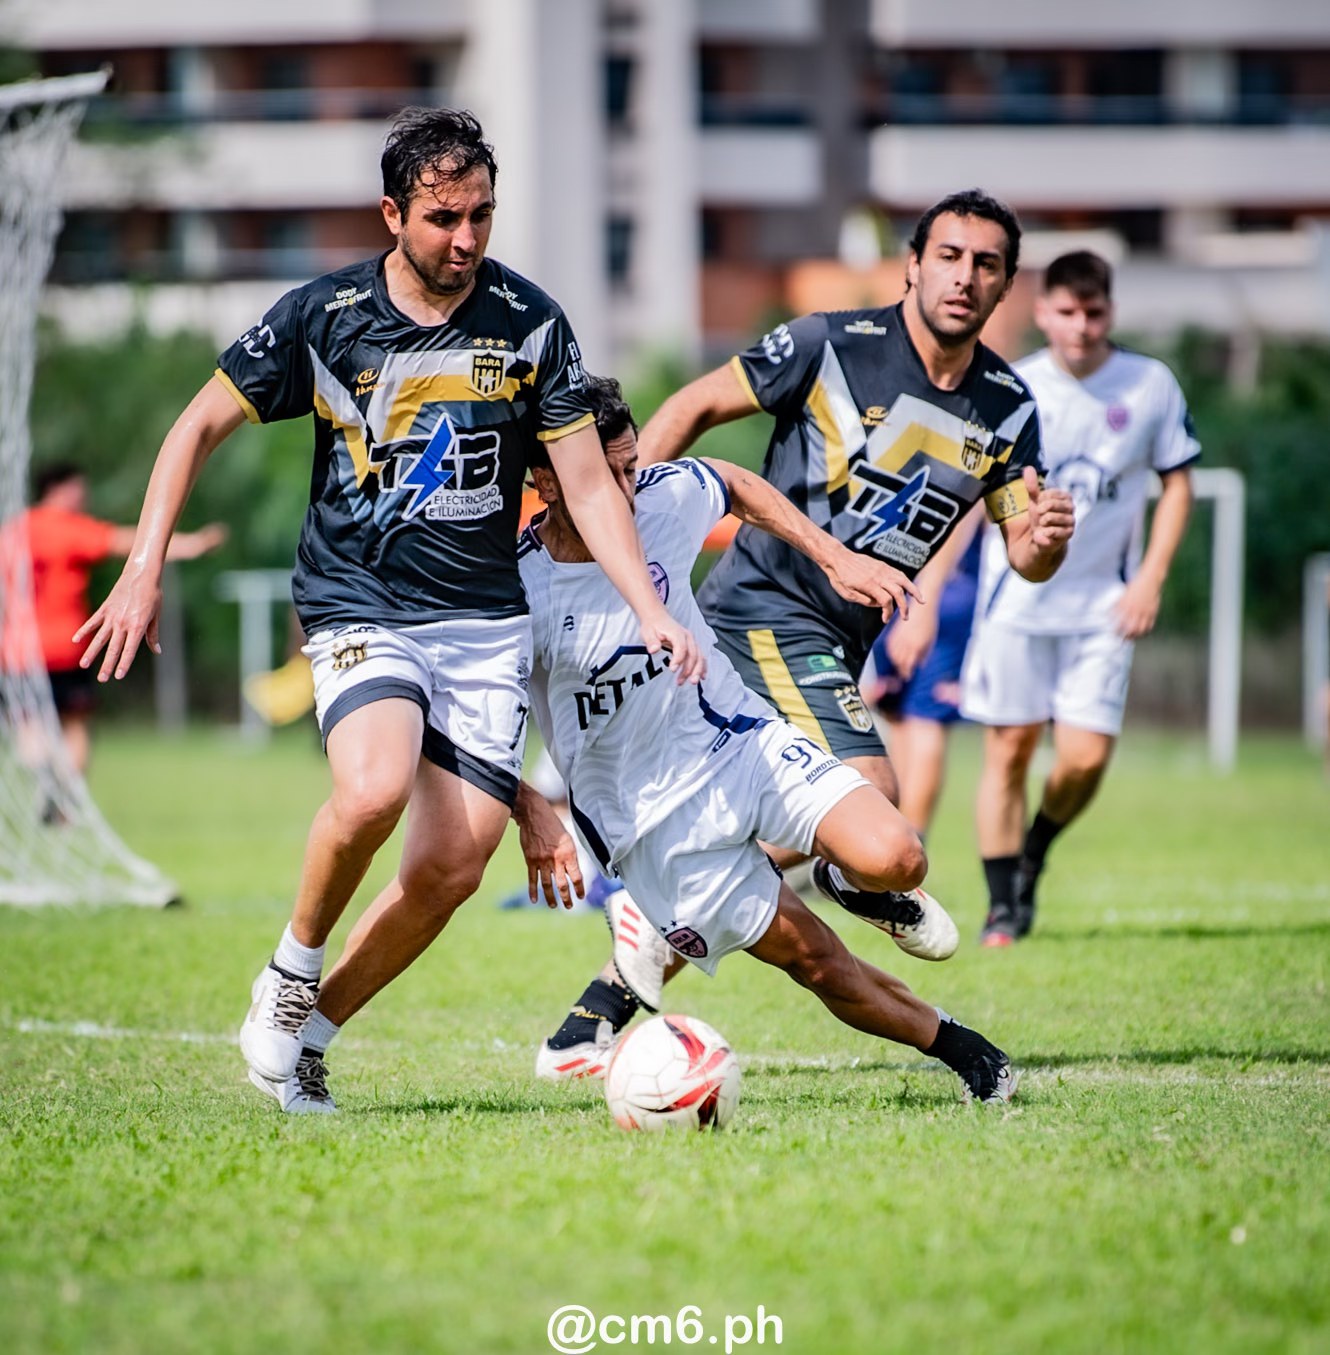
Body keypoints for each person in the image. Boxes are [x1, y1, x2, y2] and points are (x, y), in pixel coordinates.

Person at [75, 107, 702, 1115]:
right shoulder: (324, 315)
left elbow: (588, 484)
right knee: (371, 791)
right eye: (443, 217)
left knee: (452, 865)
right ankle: (289, 972)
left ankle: (312, 1037)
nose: (466, 238)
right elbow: (196, 425)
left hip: (483, 619)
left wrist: (651, 611)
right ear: (392, 213)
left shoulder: (532, 323)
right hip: (359, 600)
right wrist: (143, 565)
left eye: (481, 215)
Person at [537, 189, 1076, 1075]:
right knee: (871, 784)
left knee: (850, 855)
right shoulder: (828, 344)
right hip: (767, 607)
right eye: (949, 256)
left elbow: (1024, 550)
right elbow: (698, 403)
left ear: (1006, 284)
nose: (964, 277)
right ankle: (812, 875)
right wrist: (620, 530)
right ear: (912, 264)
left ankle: (611, 991)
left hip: (845, 633)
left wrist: (1047, 539)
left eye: (986, 264)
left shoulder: (1009, 407)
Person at [516, 375, 1016, 1104]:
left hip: (739, 744)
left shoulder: (660, 498)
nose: (626, 491)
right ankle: (961, 1047)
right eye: (607, 476)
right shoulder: (517, 590)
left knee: (899, 856)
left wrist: (835, 557)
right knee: (820, 964)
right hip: (653, 829)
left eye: (631, 468)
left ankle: (849, 879)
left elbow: (732, 482)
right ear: (547, 481)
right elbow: (461, 722)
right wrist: (529, 807)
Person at [961, 250, 1199, 945]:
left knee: (1086, 758)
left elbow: (1178, 481)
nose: (1081, 326)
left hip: (1102, 605)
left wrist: (1150, 578)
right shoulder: (1013, 386)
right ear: (1042, 312)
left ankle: (1034, 850)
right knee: (1009, 751)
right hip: (1014, 603)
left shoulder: (1149, 384)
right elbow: (980, 492)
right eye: (1067, 311)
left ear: (1110, 312)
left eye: (1093, 312)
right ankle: (1002, 907)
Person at [0, 461, 224, 783]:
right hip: (66, 646)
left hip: (18, 650)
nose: (84, 497)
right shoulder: (66, 528)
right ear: (58, 489)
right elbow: (129, 543)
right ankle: (65, 794)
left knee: (29, 723)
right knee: (75, 724)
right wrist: (192, 544)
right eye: (78, 489)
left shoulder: (12, 532)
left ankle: (42, 772)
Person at [861, 507, 984, 839]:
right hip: (894, 584)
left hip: (937, 593)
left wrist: (925, 601)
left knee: (924, 719)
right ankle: (895, 836)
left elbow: (963, 511)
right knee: (898, 714)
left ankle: (911, 842)